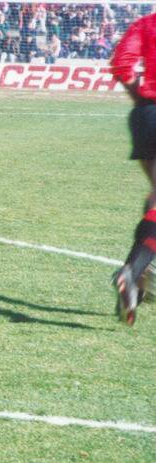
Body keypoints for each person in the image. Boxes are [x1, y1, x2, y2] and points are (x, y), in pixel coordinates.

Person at [110, 11, 156, 325]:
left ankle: (139, 276)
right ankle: (136, 270)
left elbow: (121, 63)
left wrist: (138, 97)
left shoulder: (147, 23)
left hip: (145, 115)